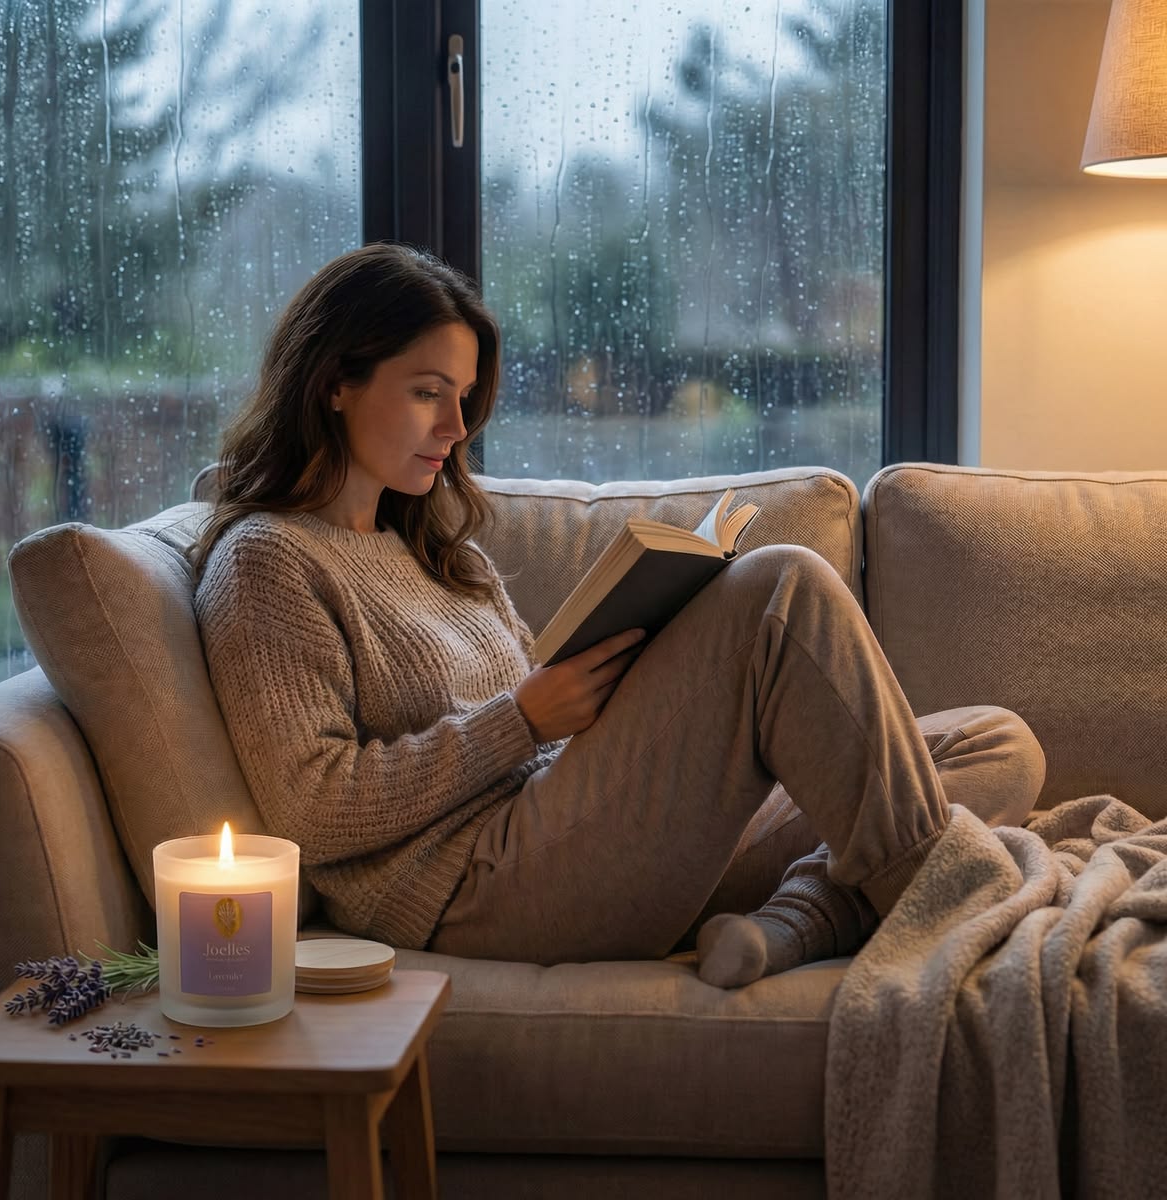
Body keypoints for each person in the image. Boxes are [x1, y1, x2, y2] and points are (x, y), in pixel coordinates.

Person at [192, 243, 1046, 988]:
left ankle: (793, 927)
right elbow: (309, 808)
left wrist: (633, 692)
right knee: (781, 585)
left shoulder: (433, 545)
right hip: (479, 885)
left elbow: (540, 721)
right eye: (427, 392)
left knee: (993, 740)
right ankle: (947, 914)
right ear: (335, 381)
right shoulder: (269, 561)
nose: (456, 425)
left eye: (462, 395)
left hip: (580, 826)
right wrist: (520, 722)